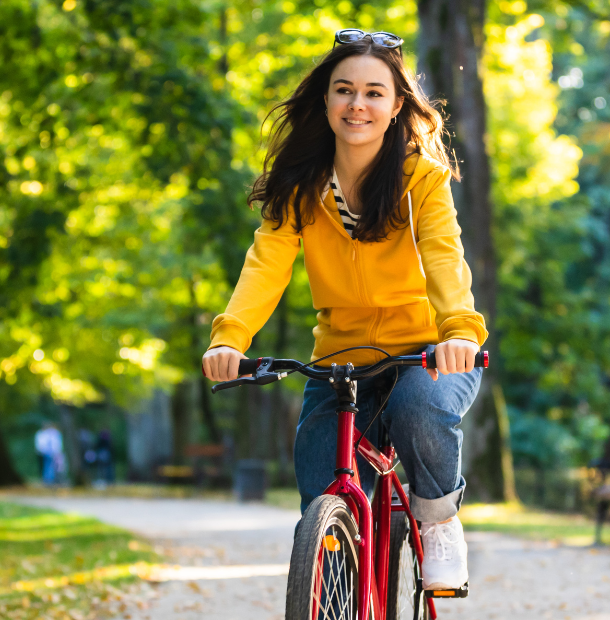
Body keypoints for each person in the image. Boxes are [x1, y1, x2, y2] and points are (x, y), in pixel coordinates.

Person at [202, 29, 484, 591]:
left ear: (397, 105)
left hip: (428, 353)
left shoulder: (422, 179)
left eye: (374, 93)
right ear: (326, 99)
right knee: (319, 478)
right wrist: (230, 337)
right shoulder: (299, 185)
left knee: (418, 410)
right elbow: (265, 265)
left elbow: (443, 256)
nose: (358, 104)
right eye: (344, 90)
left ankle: (437, 521)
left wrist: (457, 331)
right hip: (342, 357)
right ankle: (332, 588)